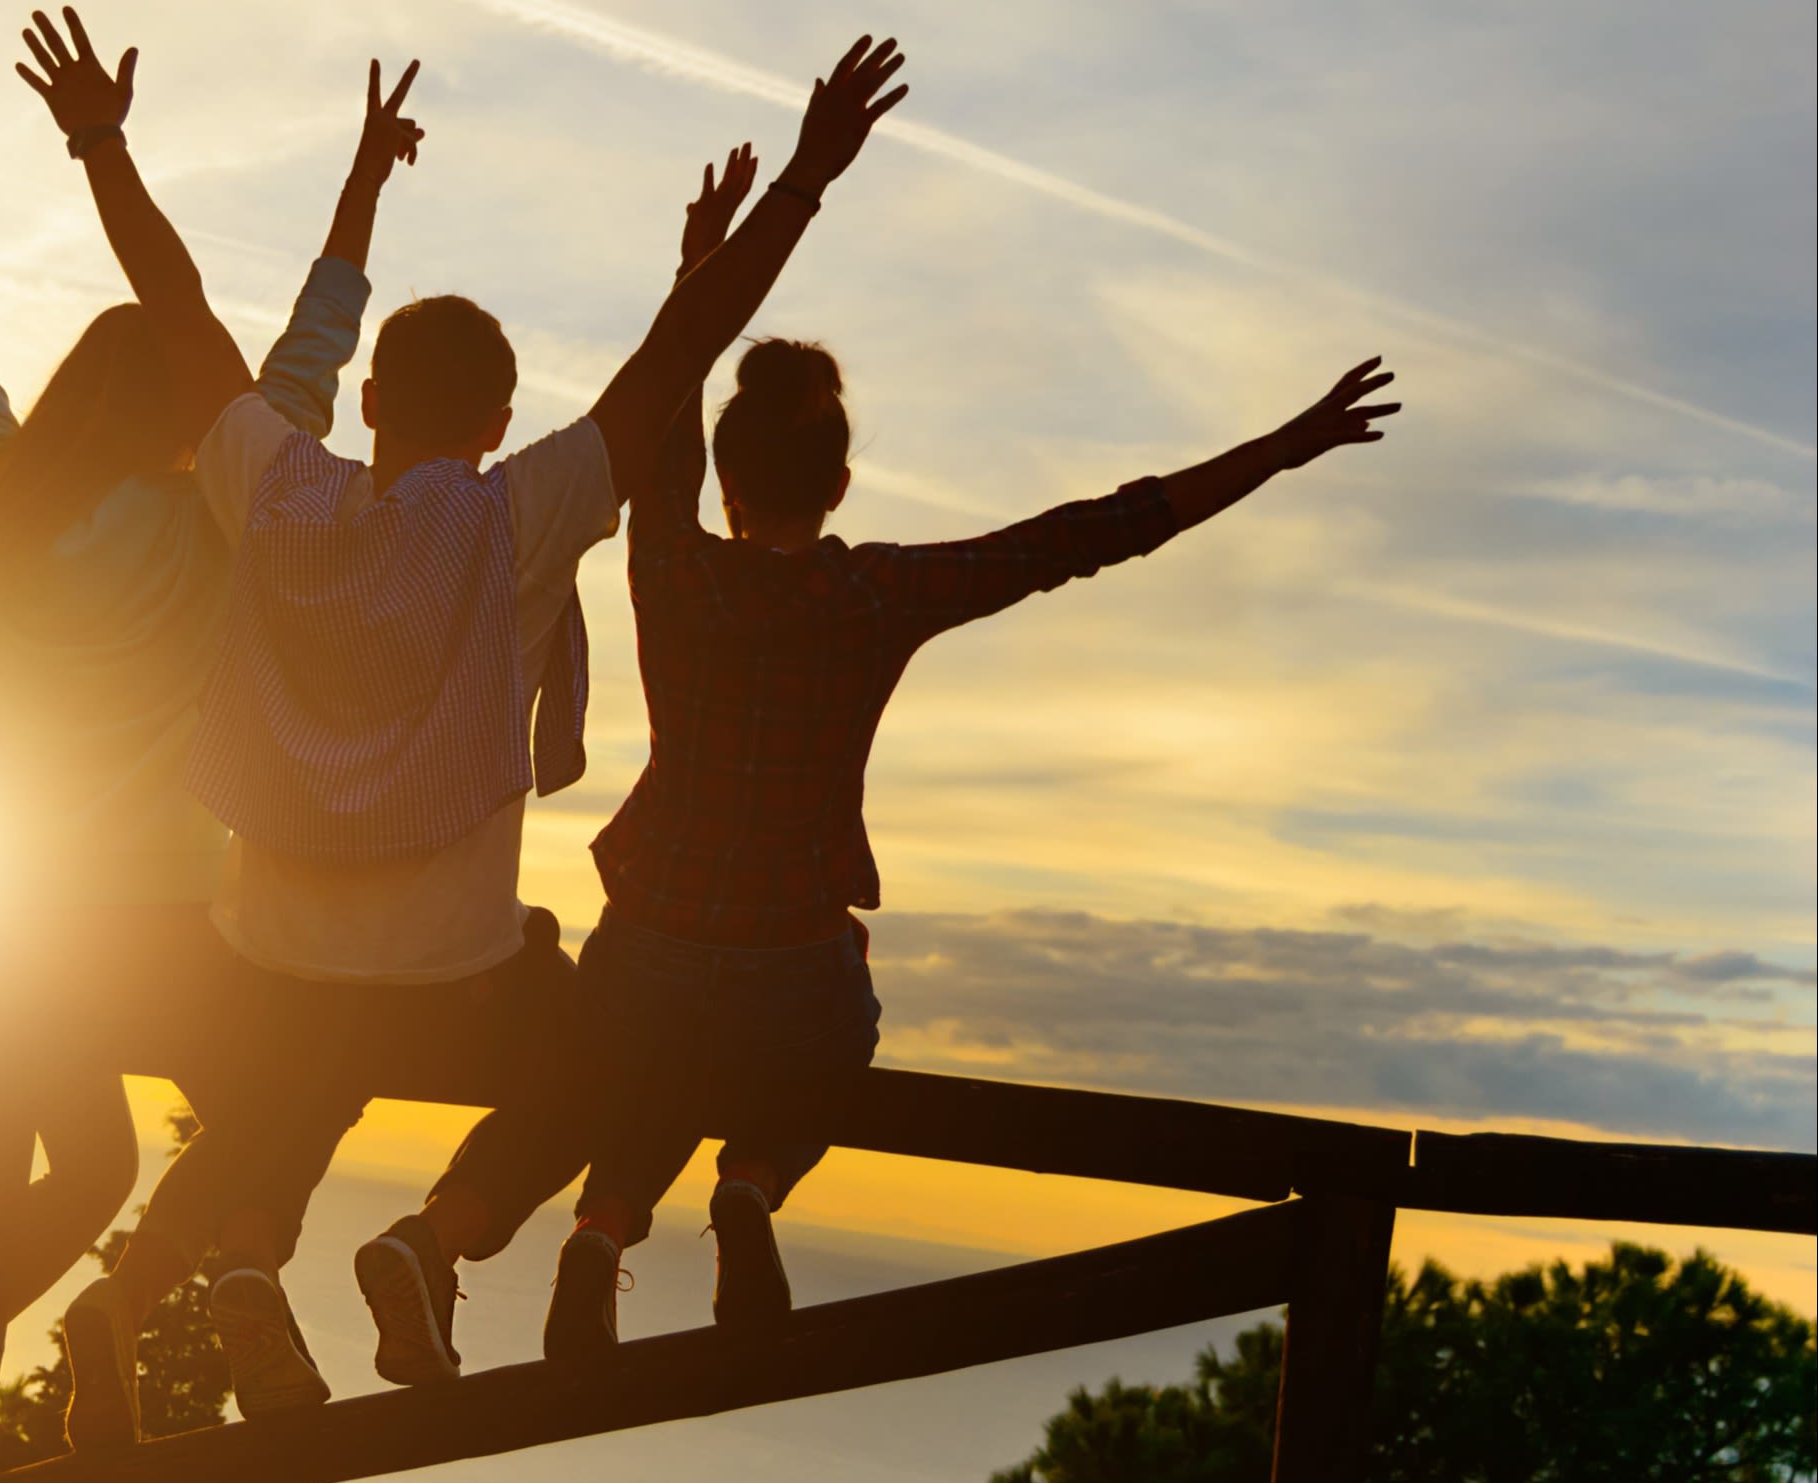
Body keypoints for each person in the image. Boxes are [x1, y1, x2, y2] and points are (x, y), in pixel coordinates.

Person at [53, 33, 913, 1422]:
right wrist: (807, 175)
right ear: (503, 419)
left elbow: (180, 308)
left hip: (265, 951)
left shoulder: (266, 490)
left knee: (281, 1085)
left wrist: (101, 144)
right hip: (447, 974)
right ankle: (430, 1239)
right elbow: (682, 350)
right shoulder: (517, 519)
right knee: (619, 1055)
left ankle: (172, 1283)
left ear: (374, 403)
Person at [526, 159, 1402, 1357]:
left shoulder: (668, 565)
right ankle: (750, 1181)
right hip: (789, 949)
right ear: (836, 482)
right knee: (843, 1033)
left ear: (725, 481)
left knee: (638, 1068)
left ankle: (598, 1234)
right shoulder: (877, 590)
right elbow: (1090, 533)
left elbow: (668, 397)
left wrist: (697, 267)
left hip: (651, 934)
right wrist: (1280, 448)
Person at [0, 8, 419, 1483]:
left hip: (6, 934)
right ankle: (211, 1278)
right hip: (157, 930)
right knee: (312, 1072)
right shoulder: (215, 520)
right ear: (176, 414)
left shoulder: (1, 514)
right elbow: (299, 342)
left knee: (83, 1168)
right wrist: (352, 180)